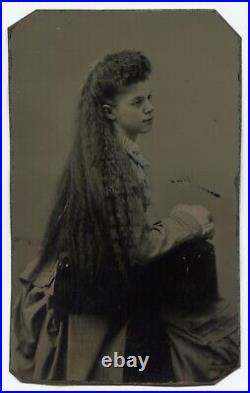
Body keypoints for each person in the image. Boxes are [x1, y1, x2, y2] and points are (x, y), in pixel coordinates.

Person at [10, 50, 239, 384]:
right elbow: (137, 248)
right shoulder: (113, 171)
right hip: (93, 297)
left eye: (150, 98)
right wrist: (187, 222)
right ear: (109, 112)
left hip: (99, 281)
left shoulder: (109, 156)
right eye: (137, 102)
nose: (149, 108)